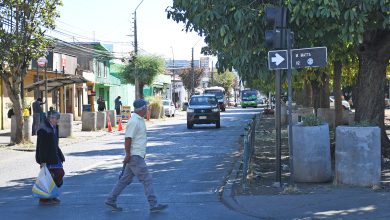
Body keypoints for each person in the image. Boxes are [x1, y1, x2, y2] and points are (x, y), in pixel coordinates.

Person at [105, 99, 168, 213]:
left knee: (124, 180)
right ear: (142, 108)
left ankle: (111, 199)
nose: (147, 109)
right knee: (147, 179)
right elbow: (128, 139)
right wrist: (128, 154)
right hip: (135, 156)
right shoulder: (134, 121)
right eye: (146, 107)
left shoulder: (139, 119)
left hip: (135, 155)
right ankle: (153, 204)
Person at [35, 111, 65, 205]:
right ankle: (44, 199)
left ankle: (52, 196)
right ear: (51, 119)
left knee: (58, 174)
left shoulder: (55, 127)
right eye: (56, 119)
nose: (57, 121)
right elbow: (42, 147)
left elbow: (55, 143)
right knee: (49, 177)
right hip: (47, 157)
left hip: (54, 155)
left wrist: (60, 155)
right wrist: (42, 161)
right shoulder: (43, 129)